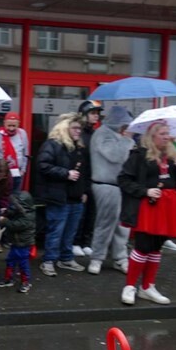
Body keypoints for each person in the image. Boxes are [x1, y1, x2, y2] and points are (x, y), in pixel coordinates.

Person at [118, 121, 176, 306]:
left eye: (167, 133)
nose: (167, 137)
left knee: (156, 247)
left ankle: (147, 287)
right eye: (163, 133)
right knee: (143, 246)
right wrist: (145, 191)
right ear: (152, 136)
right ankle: (130, 286)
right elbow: (123, 179)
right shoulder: (139, 155)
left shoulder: (172, 155)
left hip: (168, 206)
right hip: (148, 206)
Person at [35, 113, 89, 277]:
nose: (78, 131)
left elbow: (84, 172)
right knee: (56, 230)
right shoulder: (53, 145)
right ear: (65, 128)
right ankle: (48, 260)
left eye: (80, 128)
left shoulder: (78, 147)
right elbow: (42, 165)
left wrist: (84, 191)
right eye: (75, 128)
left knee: (70, 231)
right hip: (58, 196)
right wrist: (65, 173)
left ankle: (66, 258)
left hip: (75, 197)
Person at [87, 106, 135, 275]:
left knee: (123, 225)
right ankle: (97, 258)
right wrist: (127, 139)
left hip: (123, 185)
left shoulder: (119, 135)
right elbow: (115, 155)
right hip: (106, 184)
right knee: (105, 223)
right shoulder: (102, 134)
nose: (127, 128)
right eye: (125, 124)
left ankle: (120, 258)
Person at [72, 100, 103, 257]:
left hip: (95, 178)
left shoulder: (96, 134)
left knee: (92, 212)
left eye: (97, 114)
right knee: (81, 213)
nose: (96, 116)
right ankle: (76, 242)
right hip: (82, 179)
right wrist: (82, 186)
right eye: (92, 113)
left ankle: (86, 242)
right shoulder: (80, 135)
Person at [0, 191, 36, 293]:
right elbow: (12, 213)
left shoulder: (28, 217)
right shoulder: (20, 212)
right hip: (16, 242)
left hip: (23, 244)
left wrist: (4, 220)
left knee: (23, 264)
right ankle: (8, 278)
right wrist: (6, 212)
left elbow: (15, 225)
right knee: (10, 260)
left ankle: (25, 282)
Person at [0, 112, 30, 192]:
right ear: (4, 123)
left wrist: (23, 170)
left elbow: (25, 154)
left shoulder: (22, 134)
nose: (11, 128)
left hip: (17, 174)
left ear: (18, 124)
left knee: (15, 197)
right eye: (9, 125)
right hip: (0, 175)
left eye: (14, 126)